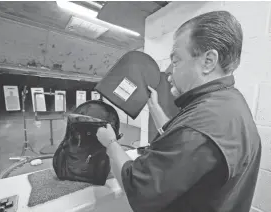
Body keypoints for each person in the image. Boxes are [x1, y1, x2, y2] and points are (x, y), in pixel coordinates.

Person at [96, 10, 261, 212]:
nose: (169, 72)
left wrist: (110, 142)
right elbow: (184, 143)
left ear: (208, 61)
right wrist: (155, 109)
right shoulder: (231, 103)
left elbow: (137, 188)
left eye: (176, 61)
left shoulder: (200, 126)